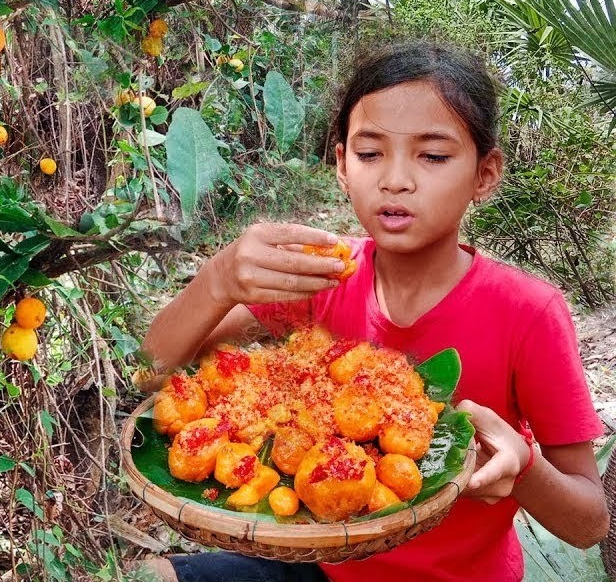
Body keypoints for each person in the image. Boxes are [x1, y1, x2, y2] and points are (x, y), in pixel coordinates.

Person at [139, 42, 608, 582]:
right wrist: (216, 281)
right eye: (370, 153)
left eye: (432, 156)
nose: (396, 180)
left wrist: (523, 466)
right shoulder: (320, 278)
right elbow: (152, 369)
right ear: (342, 165)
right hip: (320, 565)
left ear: (484, 174)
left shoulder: (528, 312)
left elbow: (589, 523)